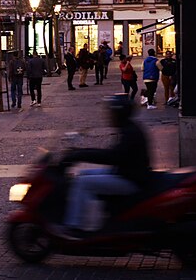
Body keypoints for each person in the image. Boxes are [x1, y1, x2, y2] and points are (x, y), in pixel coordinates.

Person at [60, 94, 152, 235]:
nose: (108, 116)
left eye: (111, 113)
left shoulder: (130, 133)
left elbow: (112, 156)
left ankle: (75, 227)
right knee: (82, 175)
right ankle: (98, 214)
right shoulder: (128, 128)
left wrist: (80, 155)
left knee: (82, 183)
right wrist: (80, 153)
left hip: (131, 179)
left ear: (119, 113)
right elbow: (113, 154)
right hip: (125, 173)